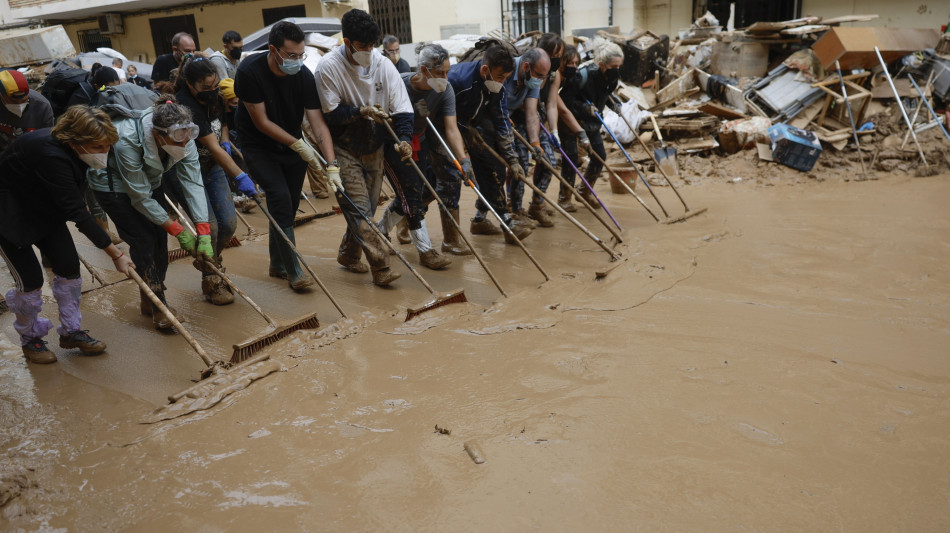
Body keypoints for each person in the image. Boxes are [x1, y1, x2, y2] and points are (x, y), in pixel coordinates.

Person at [0, 105, 133, 364]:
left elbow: (71, 194)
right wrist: (116, 254)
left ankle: (71, 331)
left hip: (44, 206)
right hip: (8, 214)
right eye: (97, 148)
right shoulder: (50, 154)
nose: (104, 153)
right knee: (30, 282)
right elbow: (77, 213)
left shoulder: (74, 151)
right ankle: (30, 340)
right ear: (75, 142)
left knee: (70, 269)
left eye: (107, 146)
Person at [234, 20, 339, 290]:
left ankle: (276, 264)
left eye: (300, 55)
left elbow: (317, 123)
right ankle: (295, 272)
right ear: (273, 50)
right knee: (279, 198)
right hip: (259, 146)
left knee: (288, 207)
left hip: (291, 146)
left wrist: (331, 163)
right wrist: (300, 146)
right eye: (291, 55)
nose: (296, 60)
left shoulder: (303, 76)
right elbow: (261, 122)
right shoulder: (249, 71)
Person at [89, 97, 210, 330]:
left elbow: (193, 181)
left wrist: (202, 231)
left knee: (159, 242)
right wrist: (178, 229)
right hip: (113, 187)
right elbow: (139, 196)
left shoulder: (184, 135)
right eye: (178, 141)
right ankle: (159, 306)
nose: (183, 146)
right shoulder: (126, 139)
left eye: (187, 140)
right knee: (143, 240)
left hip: (149, 183)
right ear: (157, 134)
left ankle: (150, 297)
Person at [317, 9, 410, 285]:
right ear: (346, 42)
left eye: (372, 46)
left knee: (366, 208)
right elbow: (330, 113)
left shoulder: (382, 64)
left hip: (374, 144)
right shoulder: (328, 68)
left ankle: (348, 252)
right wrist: (362, 111)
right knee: (359, 209)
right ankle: (380, 268)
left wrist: (403, 138)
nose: (368, 51)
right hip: (343, 146)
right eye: (362, 46)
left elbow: (402, 106)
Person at [174, 55, 254, 305]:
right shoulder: (185, 106)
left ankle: (208, 260)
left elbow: (224, 124)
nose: (212, 92)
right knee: (211, 228)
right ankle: (212, 276)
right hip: (190, 172)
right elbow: (211, 145)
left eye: (214, 86)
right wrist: (240, 175)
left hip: (214, 166)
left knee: (229, 225)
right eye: (205, 88)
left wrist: (227, 140)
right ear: (190, 84)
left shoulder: (216, 95)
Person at [386, 42, 471, 257]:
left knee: (416, 189)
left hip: (421, 140)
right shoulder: (400, 83)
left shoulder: (446, 89)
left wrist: (463, 159)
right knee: (408, 191)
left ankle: (383, 230)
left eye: (447, 72)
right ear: (424, 70)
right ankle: (420, 248)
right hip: (395, 142)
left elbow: (451, 129)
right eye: (440, 72)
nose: (445, 77)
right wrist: (411, 112)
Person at [447, 44, 533, 244]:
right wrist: (463, 137)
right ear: (485, 70)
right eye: (501, 77)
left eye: (506, 78)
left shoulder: (497, 87)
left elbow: (502, 121)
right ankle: (406, 218)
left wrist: (512, 159)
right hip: (445, 129)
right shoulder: (457, 80)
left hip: (474, 127)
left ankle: (488, 220)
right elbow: (443, 115)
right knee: (441, 182)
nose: (503, 83)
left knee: (495, 169)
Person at [559, 41, 623, 208]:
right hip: (571, 121)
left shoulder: (612, 78)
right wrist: (585, 108)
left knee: (599, 155)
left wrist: (615, 104)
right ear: (602, 64)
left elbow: (606, 95)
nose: (617, 69)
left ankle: (584, 191)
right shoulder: (582, 76)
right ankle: (564, 198)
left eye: (619, 66)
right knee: (571, 157)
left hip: (593, 122)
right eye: (613, 66)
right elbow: (565, 101)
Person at [503, 47, 552, 228]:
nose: (540, 80)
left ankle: (529, 208)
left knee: (543, 161)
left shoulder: (534, 81)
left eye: (544, 77)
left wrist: (535, 143)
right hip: (494, 120)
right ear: (525, 66)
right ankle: (511, 211)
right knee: (514, 166)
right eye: (538, 75)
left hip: (513, 121)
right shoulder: (505, 70)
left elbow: (532, 113)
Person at [552, 45, 590, 212]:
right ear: (562, 62)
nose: (574, 66)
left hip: (562, 117)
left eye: (577, 63)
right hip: (553, 119)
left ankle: (564, 196)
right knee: (568, 157)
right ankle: (561, 198)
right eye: (570, 62)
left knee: (572, 156)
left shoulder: (570, 76)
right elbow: (562, 109)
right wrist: (580, 132)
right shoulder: (556, 76)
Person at [0, 69, 55, 153]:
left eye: (24, 101)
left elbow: (46, 139)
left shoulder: (42, 106)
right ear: (2, 95)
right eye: (14, 101)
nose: (19, 105)